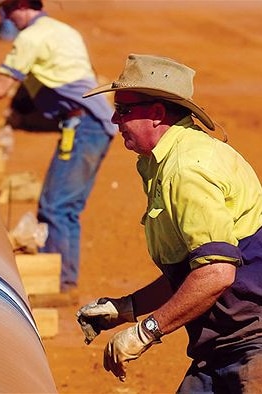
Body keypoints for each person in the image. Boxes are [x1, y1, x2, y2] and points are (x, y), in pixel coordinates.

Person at [76, 54, 262, 392]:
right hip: (224, 344)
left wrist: (146, 331)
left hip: (251, 343)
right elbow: (194, 270)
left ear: (158, 114)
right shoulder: (162, 164)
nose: (115, 119)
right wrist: (125, 309)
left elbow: (216, 273)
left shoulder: (187, 169)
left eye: (125, 110)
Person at [0, 0, 116, 303]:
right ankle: (62, 277)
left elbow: (0, 87)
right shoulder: (61, 30)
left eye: (8, 11)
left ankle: (58, 285)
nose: (6, 18)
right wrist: (16, 120)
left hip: (83, 126)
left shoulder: (31, 37)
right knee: (65, 206)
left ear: (23, 5)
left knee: (56, 206)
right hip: (89, 124)